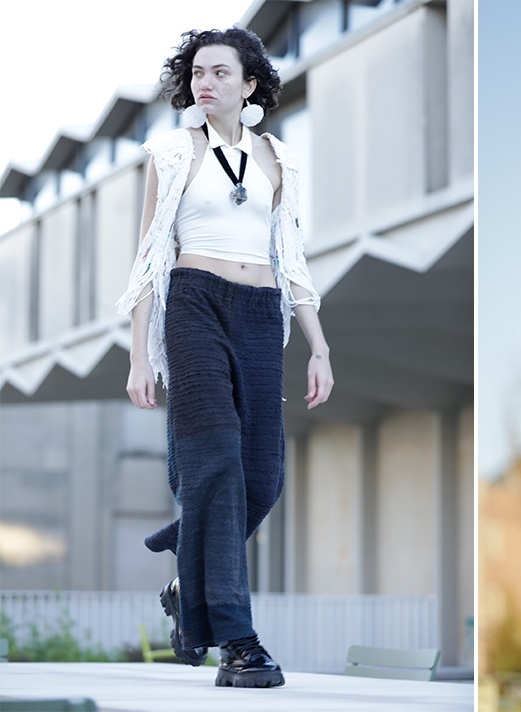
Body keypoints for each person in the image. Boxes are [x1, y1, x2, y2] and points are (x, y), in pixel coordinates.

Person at [118, 27, 333, 689]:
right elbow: (151, 254)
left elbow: (289, 257)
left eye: (218, 72)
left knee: (261, 478)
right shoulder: (172, 152)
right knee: (214, 466)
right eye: (196, 73)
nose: (203, 83)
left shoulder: (280, 162)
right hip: (193, 303)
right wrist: (137, 354)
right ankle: (238, 640)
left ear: (249, 85)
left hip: (260, 315)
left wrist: (319, 345)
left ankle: (189, 573)